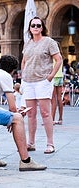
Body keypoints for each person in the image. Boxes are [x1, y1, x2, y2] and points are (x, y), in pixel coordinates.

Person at [21, 17, 62, 154]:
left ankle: (50, 143)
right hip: (28, 81)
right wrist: (22, 74)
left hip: (42, 81)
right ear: (30, 28)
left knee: (45, 112)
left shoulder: (49, 42)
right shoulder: (27, 43)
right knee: (31, 113)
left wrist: (50, 76)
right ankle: (31, 143)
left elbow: (58, 59)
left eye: (39, 25)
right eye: (33, 25)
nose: (36, 27)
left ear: (42, 27)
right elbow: (24, 60)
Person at [51, 43, 64, 125]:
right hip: (60, 77)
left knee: (53, 99)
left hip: (54, 77)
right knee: (59, 98)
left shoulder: (53, 56)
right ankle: (60, 118)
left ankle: (51, 119)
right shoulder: (60, 56)